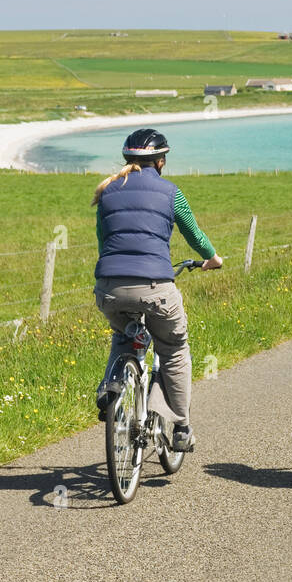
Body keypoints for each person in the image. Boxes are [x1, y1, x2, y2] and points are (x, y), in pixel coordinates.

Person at [91, 129, 222, 452]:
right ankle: (180, 425)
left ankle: (111, 386)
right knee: (175, 349)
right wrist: (212, 259)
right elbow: (194, 234)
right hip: (155, 288)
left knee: (123, 337)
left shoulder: (107, 191)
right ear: (160, 161)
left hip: (109, 288)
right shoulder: (170, 192)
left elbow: (103, 242)